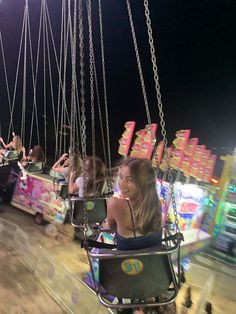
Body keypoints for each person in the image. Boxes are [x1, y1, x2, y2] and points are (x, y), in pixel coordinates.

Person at [106, 157, 162, 250]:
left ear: (142, 183)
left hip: (125, 262)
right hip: (153, 262)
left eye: (130, 180)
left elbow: (111, 228)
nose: (121, 184)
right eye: (120, 177)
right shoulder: (156, 205)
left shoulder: (115, 204)